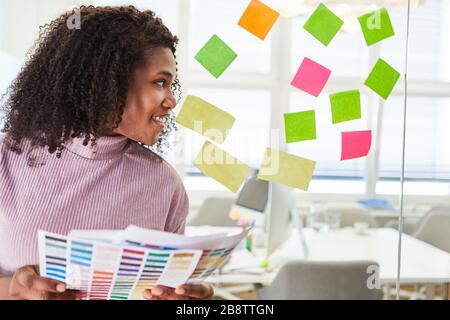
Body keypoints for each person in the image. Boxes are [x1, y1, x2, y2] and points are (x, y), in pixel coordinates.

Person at [0, 5, 213, 300]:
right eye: (160, 83)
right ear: (110, 82)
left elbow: (167, 288)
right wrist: (10, 289)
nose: (172, 100)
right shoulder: (5, 159)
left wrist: (187, 300)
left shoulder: (164, 184)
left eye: (170, 84)